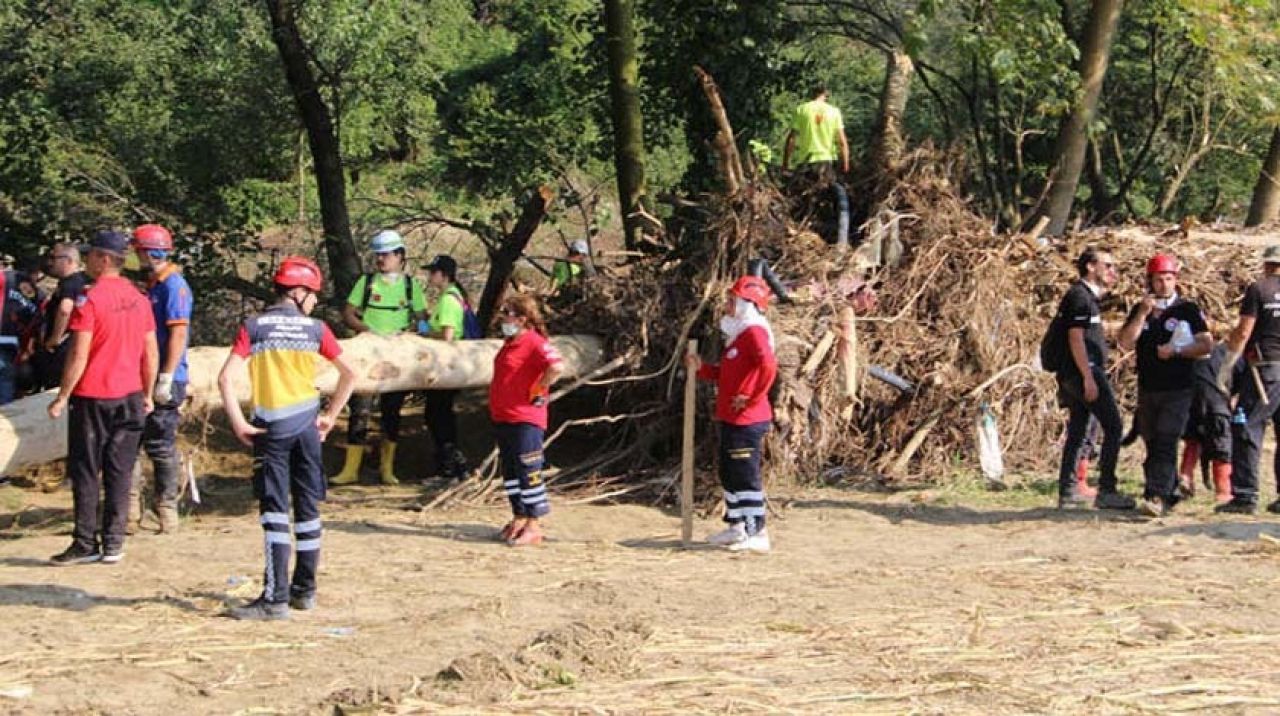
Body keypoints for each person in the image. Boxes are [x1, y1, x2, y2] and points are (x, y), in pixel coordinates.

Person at [216, 256, 356, 620]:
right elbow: (351, 374)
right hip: (308, 427)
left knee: (275, 513)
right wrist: (329, 417)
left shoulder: (255, 326)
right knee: (308, 510)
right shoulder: (316, 329)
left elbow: (225, 378)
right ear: (297, 292)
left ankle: (274, 600)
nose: (313, 302)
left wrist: (238, 423)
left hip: (271, 430)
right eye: (312, 295)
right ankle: (304, 591)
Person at [46, 230, 158, 565]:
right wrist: (148, 393)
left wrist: (62, 395)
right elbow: (150, 351)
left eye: (92, 255)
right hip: (130, 396)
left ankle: (84, 542)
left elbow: (79, 354)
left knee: (85, 470)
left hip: (94, 395)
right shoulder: (139, 298)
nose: (88, 261)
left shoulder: (89, 299)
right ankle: (113, 543)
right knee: (119, 471)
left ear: (104, 259)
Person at [686, 276, 778, 553]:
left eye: (731, 300)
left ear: (746, 303)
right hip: (730, 416)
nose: (727, 305)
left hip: (748, 419)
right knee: (728, 472)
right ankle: (737, 526)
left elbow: (768, 367)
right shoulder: (739, 334)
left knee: (744, 473)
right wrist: (701, 368)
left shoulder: (755, 332)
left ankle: (756, 530)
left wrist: (751, 397)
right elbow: (726, 376)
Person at [1117, 254, 1213, 517]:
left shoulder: (1188, 310)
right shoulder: (1140, 308)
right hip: (1149, 387)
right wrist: (1142, 314)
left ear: (1176, 280)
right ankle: (1167, 491)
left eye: (1169, 279)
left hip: (1179, 387)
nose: (1164, 284)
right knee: (1152, 440)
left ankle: (1155, 494)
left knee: (1167, 437)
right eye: (1159, 279)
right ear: (1150, 281)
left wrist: (1178, 351)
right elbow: (1125, 342)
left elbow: (1206, 345)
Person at [331, 230, 427, 486]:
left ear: (400, 256)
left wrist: (414, 334)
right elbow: (349, 314)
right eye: (378, 255)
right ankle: (350, 470)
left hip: (398, 356)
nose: (381, 260)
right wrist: (368, 330)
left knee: (392, 412)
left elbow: (422, 319)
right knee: (359, 410)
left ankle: (387, 469)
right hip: (367, 353)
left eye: (386, 255)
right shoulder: (366, 282)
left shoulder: (411, 286)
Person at [1051, 248, 1135, 511]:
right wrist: (1088, 377)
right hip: (1083, 373)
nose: (1113, 272)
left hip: (1078, 373)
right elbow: (1075, 338)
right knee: (1114, 426)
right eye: (1107, 265)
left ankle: (1068, 489)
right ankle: (1107, 490)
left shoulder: (1087, 298)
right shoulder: (1080, 297)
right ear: (1090, 267)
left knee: (1079, 428)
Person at [129, 224, 193, 533]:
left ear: (147, 252)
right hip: (141, 375)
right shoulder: (153, 286)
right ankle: (129, 511)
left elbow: (178, 332)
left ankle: (166, 509)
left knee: (160, 444)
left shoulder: (173, 286)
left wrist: (166, 376)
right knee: (129, 443)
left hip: (166, 376)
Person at [489, 293, 563, 546]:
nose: (503, 318)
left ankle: (534, 523)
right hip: (503, 416)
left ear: (522, 318)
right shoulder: (510, 343)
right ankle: (519, 516)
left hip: (525, 417)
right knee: (510, 469)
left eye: (508, 313)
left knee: (528, 468)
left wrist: (540, 388)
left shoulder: (534, 342)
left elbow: (556, 366)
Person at [1214, 244, 1280, 514]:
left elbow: (1243, 331)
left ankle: (1245, 494)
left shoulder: (1259, 289)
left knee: (1247, 427)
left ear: (1267, 265)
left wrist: (1226, 367)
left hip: (1265, 370)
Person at [423, 254, 470, 480]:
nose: (430, 276)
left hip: (446, 367)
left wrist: (423, 333)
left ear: (444, 275)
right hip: (444, 368)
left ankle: (450, 468)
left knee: (438, 416)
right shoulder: (449, 297)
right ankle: (451, 466)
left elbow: (448, 335)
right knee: (439, 415)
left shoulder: (449, 299)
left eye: (433, 272)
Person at [1179, 341, 1238, 503]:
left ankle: (1185, 477)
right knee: (1221, 445)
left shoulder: (1194, 349)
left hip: (1192, 400)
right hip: (1217, 404)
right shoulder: (1234, 351)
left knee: (1193, 440)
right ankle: (1223, 491)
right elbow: (1238, 382)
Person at [34, 243, 88, 390]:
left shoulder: (70, 282)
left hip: (62, 346)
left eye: (54, 258)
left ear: (68, 261)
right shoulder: (82, 280)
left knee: (53, 386)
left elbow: (65, 309)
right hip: (72, 344)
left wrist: (55, 338)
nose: (51, 263)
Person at [782, 86, 850, 178]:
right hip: (826, 161)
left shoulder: (801, 110)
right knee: (836, 189)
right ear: (826, 94)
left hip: (805, 161)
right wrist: (845, 163)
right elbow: (842, 142)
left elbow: (791, 139)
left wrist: (785, 163)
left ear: (812, 93)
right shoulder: (834, 112)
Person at [0, 262, 42, 404]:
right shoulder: (39, 295)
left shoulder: (5, 277)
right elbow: (34, 325)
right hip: (13, 345)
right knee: (5, 384)